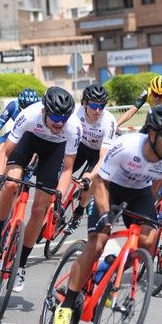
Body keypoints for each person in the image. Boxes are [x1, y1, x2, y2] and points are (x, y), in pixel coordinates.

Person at [53, 105, 162, 324]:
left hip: (139, 193)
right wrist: (105, 215)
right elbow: (100, 183)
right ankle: (67, 305)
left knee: (150, 239)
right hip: (109, 188)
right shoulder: (126, 146)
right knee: (97, 242)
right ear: (154, 134)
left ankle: (108, 269)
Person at [0, 86, 81, 293]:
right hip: (28, 142)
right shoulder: (30, 114)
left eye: (64, 117)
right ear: (44, 110)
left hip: (53, 152)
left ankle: (21, 265)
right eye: (54, 116)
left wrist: (60, 199)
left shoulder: (73, 127)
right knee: (10, 184)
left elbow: (68, 168)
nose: (59, 122)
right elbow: (4, 152)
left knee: (40, 209)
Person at [64, 84, 117, 235]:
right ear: (85, 103)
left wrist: (90, 176)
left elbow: (103, 157)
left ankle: (78, 213)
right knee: (62, 173)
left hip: (98, 154)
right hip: (80, 146)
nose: (97, 110)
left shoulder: (109, 121)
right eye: (94, 105)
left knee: (88, 184)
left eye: (102, 106)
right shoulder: (75, 112)